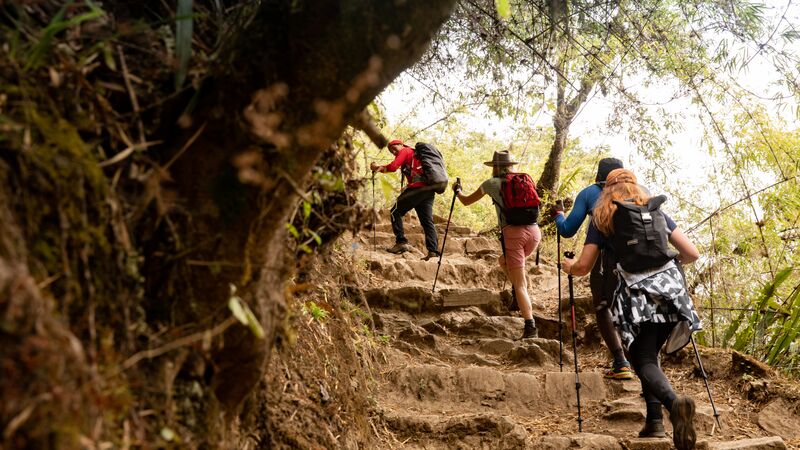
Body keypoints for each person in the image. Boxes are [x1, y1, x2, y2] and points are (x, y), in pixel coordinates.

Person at [561, 168, 701, 450]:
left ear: (607, 190)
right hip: (672, 294)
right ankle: (654, 422)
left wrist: (569, 266)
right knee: (649, 355)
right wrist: (664, 271)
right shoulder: (657, 212)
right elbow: (691, 254)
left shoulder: (603, 216)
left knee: (642, 358)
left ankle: (674, 406)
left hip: (635, 298)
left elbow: (585, 265)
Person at [552, 158, 634, 380]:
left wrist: (559, 215)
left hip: (605, 259)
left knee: (602, 306)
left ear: (600, 176)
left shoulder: (590, 193)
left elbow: (568, 230)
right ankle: (642, 362)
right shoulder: (636, 192)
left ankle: (621, 361)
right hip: (639, 260)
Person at [453, 150, 541, 339]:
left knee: (520, 284)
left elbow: (466, 201)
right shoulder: (524, 180)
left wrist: (458, 191)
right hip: (534, 232)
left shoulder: (491, 184)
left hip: (514, 234)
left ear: (495, 167)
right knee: (504, 261)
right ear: (510, 166)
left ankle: (530, 326)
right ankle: (520, 297)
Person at [371, 139, 440, 260]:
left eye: (394, 147)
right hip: (429, 190)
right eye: (391, 150)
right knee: (427, 221)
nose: (393, 151)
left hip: (417, 189)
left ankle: (401, 242)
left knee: (394, 211)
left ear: (401, 144)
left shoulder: (405, 150)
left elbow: (393, 167)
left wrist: (377, 167)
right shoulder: (413, 154)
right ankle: (433, 251)